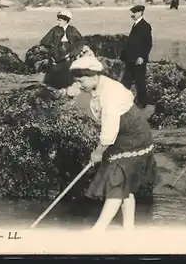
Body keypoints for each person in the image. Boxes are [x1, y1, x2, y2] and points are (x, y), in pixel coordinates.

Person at [66, 55, 158, 231]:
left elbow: (109, 128)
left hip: (133, 139)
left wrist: (98, 151)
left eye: (81, 81)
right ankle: (129, 229)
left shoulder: (110, 92)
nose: (79, 85)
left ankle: (98, 230)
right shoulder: (96, 87)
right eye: (76, 81)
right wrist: (76, 93)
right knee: (124, 186)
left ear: (94, 75)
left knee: (115, 184)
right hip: (120, 138)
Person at [40, 10, 84, 89]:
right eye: (58, 20)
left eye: (60, 20)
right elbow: (44, 41)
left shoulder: (72, 30)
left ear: (66, 21)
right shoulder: (54, 30)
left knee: (68, 71)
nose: (58, 22)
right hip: (57, 53)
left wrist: (74, 52)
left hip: (69, 52)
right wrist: (53, 46)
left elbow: (80, 42)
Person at [120, 5, 153, 109]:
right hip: (130, 59)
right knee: (126, 82)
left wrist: (142, 57)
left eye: (135, 12)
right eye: (132, 12)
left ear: (141, 12)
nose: (133, 14)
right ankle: (121, 101)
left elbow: (148, 44)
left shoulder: (145, 26)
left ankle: (143, 104)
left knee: (140, 82)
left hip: (138, 59)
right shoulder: (135, 25)